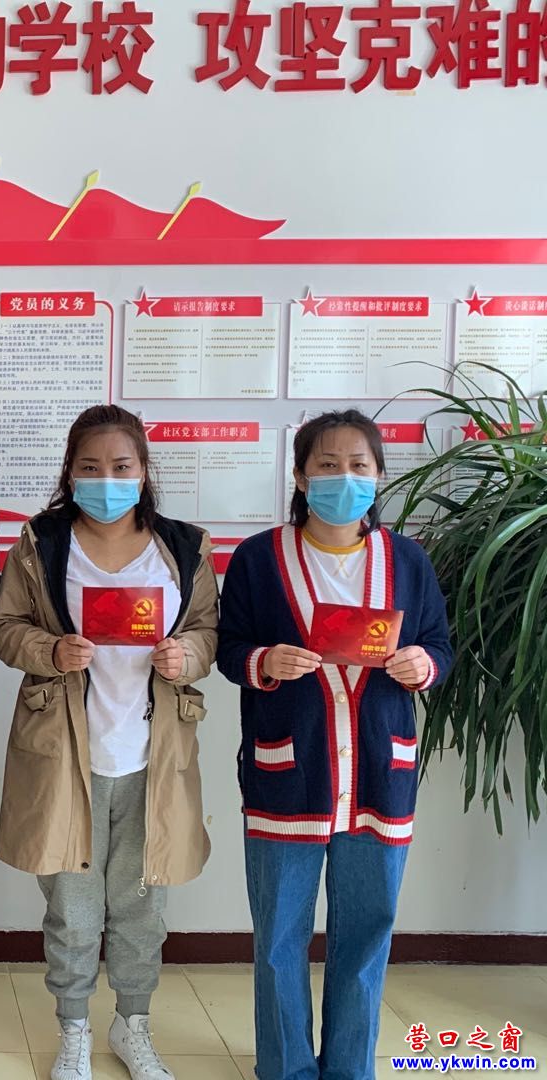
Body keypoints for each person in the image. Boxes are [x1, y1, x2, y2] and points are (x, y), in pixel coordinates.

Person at [217, 410, 452, 1080]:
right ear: (299, 476)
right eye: (326, 465)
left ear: (378, 477)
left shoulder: (406, 560)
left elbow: (439, 645)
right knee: (279, 938)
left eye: (358, 466)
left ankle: (350, 1067)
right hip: (289, 774)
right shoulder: (261, 558)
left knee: (367, 933)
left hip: (379, 773)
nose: (343, 478)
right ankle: (286, 1069)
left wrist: (422, 665)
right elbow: (230, 649)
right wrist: (266, 661)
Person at [0, 406, 219, 1080]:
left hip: (153, 758)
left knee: (143, 906)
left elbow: (208, 630)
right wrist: (51, 650)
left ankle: (132, 1023)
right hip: (66, 757)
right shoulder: (41, 543)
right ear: (70, 473)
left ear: (143, 471)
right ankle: (75, 1028)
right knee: (71, 909)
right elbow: (5, 628)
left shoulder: (183, 547)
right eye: (90, 467)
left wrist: (186, 655)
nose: (107, 480)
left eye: (121, 467)